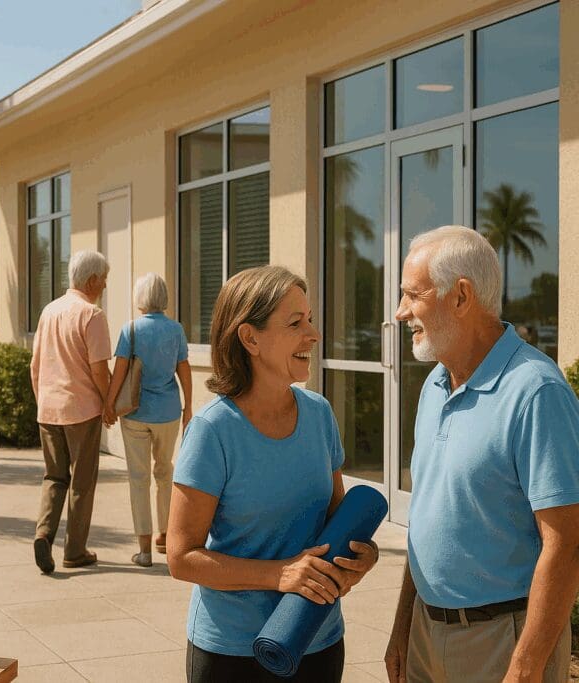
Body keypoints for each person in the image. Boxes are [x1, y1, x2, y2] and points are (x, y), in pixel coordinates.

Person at [384, 226, 579, 683]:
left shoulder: (536, 390)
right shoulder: (435, 384)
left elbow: (567, 545)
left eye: (413, 295)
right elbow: (428, 521)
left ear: (461, 296)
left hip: (502, 642)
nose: (400, 312)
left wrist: (526, 666)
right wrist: (402, 625)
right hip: (425, 634)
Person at [168, 265, 379, 682]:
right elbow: (181, 557)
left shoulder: (319, 414)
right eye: (295, 323)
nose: (313, 335)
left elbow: (337, 521)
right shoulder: (213, 431)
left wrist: (362, 557)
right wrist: (279, 574)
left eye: (311, 320)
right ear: (250, 338)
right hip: (233, 653)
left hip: (317, 640)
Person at [30, 250, 112, 574]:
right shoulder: (92, 314)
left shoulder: (49, 311)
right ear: (92, 280)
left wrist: (42, 401)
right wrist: (108, 405)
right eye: (104, 279)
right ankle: (75, 551)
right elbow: (99, 370)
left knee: (54, 477)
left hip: (48, 409)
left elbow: (34, 365)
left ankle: (43, 534)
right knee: (82, 481)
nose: (105, 285)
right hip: (82, 410)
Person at [105, 273, 192, 567]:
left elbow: (119, 372)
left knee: (138, 479)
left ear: (139, 297)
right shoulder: (176, 330)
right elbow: (184, 369)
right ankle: (165, 538)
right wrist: (188, 406)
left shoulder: (131, 329)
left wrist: (108, 405)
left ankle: (143, 549)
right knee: (165, 472)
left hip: (136, 414)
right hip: (168, 412)